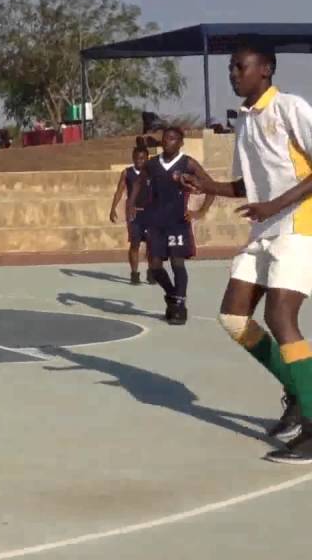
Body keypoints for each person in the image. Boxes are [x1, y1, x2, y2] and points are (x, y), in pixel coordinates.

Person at [180, 41, 312, 463]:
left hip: (299, 224)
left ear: (266, 69)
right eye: (231, 68)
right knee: (234, 318)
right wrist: (208, 187)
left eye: (241, 66)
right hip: (265, 228)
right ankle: (297, 388)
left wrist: (276, 205)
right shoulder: (244, 121)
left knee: (280, 316)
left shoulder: (290, 108)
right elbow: (245, 185)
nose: (233, 74)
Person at [131, 127, 213, 324]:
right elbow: (138, 183)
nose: (167, 141)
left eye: (172, 139)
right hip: (155, 221)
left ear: (181, 143)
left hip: (177, 222)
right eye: (165, 138)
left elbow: (211, 186)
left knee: (177, 263)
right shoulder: (152, 164)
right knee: (156, 266)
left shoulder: (188, 163)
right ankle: (172, 295)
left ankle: (179, 307)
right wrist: (132, 204)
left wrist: (200, 211)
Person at [109, 146, 151, 285]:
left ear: (147, 158)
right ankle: (134, 273)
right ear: (133, 158)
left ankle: (152, 272)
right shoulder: (127, 173)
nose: (139, 161)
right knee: (135, 244)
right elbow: (119, 191)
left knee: (152, 244)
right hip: (134, 213)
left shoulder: (152, 173)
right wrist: (113, 208)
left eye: (142, 158)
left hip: (150, 212)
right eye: (137, 158)